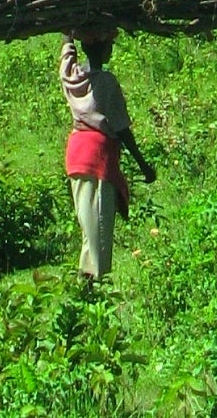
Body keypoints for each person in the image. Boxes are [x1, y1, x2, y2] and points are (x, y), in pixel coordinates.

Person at [60, 28, 155, 283]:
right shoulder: (106, 82)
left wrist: (68, 35)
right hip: (97, 157)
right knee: (99, 226)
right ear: (103, 49)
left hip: (76, 154)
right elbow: (122, 127)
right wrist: (144, 165)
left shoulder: (71, 76)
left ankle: (86, 283)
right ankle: (92, 283)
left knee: (87, 224)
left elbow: (66, 55)